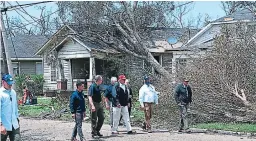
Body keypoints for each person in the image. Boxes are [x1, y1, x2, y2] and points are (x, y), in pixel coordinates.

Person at [0, 74, 21, 141]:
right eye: (8, 83)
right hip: (3, 125)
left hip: (14, 124)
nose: (10, 85)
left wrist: (17, 119)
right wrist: (0, 125)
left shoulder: (13, 92)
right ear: (3, 82)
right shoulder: (1, 94)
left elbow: (15, 106)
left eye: (11, 83)